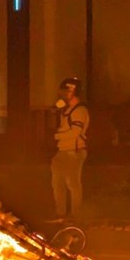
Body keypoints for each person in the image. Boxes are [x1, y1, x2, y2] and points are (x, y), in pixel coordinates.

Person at [51, 77, 89, 221]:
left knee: (72, 184)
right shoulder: (67, 110)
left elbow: (75, 132)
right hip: (63, 151)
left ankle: (75, 215)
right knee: (57, 184)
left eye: (67, 92)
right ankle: (61, 214)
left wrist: (56, 136)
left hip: (74, 151)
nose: (63, 95)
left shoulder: (80, 111)